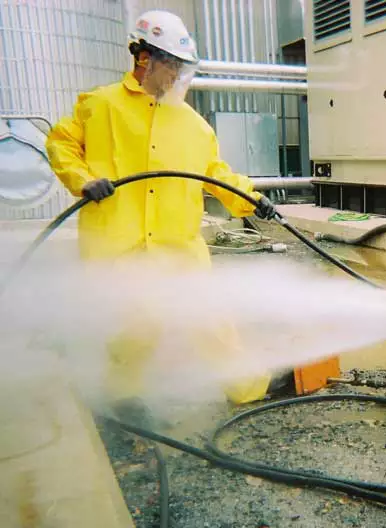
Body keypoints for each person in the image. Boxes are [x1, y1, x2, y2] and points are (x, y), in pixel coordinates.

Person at [45, 10, 276, 412]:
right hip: (119, 247)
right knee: (133, 328)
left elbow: (214, 173)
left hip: (178, 248)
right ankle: (124, 397)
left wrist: (252, 199)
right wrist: (82, 178)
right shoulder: (100, 105)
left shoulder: (192, 124)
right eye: (170, 64)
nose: (176, 76)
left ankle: (248, 389)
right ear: (143, 57)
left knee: (211, 319)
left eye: (181, 68)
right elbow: (61, 143)